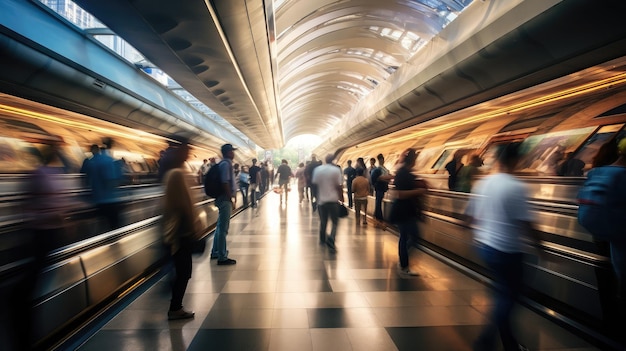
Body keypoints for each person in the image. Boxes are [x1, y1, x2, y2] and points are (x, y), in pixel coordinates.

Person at [465, 142, 542, 351]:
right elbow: (527, 223)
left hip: (485, 246)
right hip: (507, 250)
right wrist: (541, 247)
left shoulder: (483, 184)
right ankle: (488, 341)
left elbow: (470, 217)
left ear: (497, 159)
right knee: (508, 298)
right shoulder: (516, 186)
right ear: (515, 160)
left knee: (502, 294)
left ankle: (505, 343)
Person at [580, 138, 626, 337]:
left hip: (602, 233)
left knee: (607, 276)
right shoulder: (622, 176)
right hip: (619, 235)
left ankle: (611, 324)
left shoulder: (598, 172)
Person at [162, 141, 198, 320]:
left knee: (183, 271)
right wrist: (193, 228)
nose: (188, 154)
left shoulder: (173, 174)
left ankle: (176, 305)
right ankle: (175, 307)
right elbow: (183, 205)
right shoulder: (177, 174)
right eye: (186, 151)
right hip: (180, 233)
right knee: (184, 271)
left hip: (177, 232)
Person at [389, 149, 427, 276]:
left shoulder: (405, 172)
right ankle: (404, 264)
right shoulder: (403, 173)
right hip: (403, 210)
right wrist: (418, 191)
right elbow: (399, 194)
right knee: (411, 237)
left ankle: (403, 262)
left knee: (406, 237)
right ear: (412, 159)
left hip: (406, 210)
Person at [85, 137, 123, 229]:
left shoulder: (91, 161)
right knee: (114, 228)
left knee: (101, 228)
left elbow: (86, 178)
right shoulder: (109, 160)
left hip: (97, 199)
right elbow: (111, 181)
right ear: (111, 145)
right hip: (109, 200)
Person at [210, 144, 238, 265]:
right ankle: (222, 256)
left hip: (222, 197)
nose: (234, 153)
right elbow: (225, 182)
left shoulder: (223, 164)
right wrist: (230, 198)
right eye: (232, 151)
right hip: (224, 198)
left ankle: (215, 251)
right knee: (223, 228)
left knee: (220, 226)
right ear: (228, 152)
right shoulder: (226, 164)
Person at [312, 154, 344, 251]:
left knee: (323, 221)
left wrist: (315, 197)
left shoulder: (318, 170)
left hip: (322, 201)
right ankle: (331, 238)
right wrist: (342, 198)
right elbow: (339, 186)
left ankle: (322, 239)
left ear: (325, 160)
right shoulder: (336, 170)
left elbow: (315, 185)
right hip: (333, 201)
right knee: (335, 222)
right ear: (333, 160)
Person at [370, 153, 392, 228]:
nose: (382, 161)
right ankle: (379, 217)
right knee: (378, 202)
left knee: (378, 202)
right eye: (381, 159)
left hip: (381, 188)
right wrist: (387, 178)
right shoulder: (379, 169)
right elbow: (380, 178)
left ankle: (377, 216)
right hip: (380, 188)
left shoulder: (382, 169)